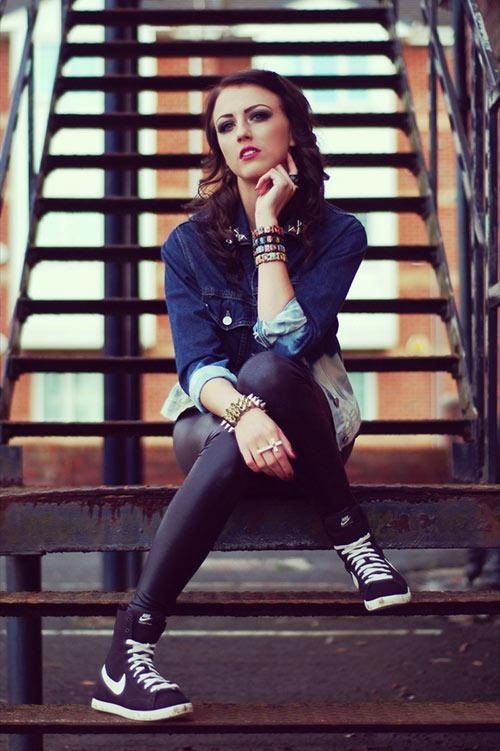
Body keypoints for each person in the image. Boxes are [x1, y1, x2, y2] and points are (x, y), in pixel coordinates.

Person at [91, 68, 411, 722]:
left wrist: (267, 226)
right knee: (238, 396)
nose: (242, 132)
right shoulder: (187, 245)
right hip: (217, 425)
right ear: (216, 144)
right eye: (226, 124)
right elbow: (197, 366)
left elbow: (286, 342)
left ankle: (128, 648)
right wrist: (242, 417)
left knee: (267, 372)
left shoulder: (340, 234)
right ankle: (351, 533)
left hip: (310, 428)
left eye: (258, 115)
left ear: (293, 127)